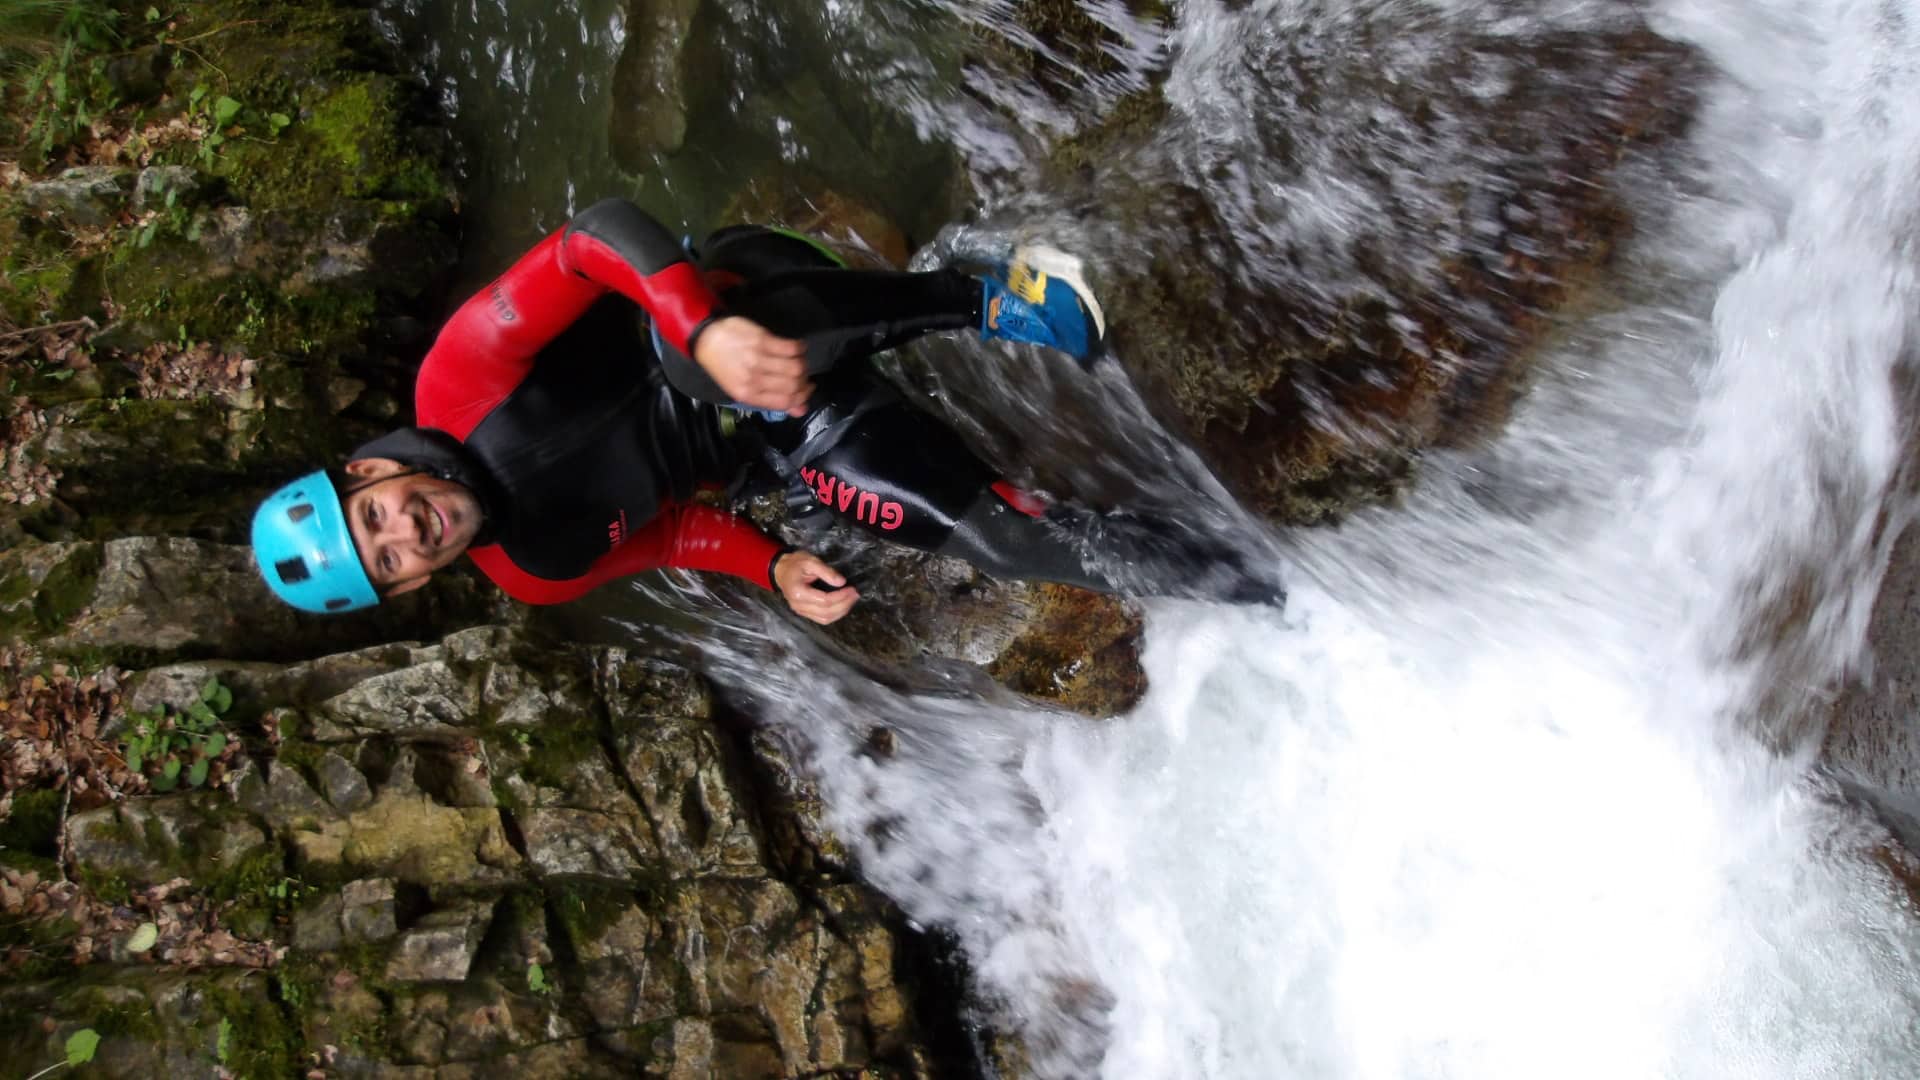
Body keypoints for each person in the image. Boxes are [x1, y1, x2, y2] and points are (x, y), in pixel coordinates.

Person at [250, 196, 1151, 625]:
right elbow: (672, 534)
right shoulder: (534, 570)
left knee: (699, 368)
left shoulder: (458, 376)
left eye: (373, 515)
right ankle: (1221, 573)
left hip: (742, 294)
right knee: (1004, 543)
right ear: (411, 584)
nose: (406, 531)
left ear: (369, 469)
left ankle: (988, 295)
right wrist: (774, 567)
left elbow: (590, 240)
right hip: (785, 428)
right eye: (389, 560)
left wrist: (702, 328)